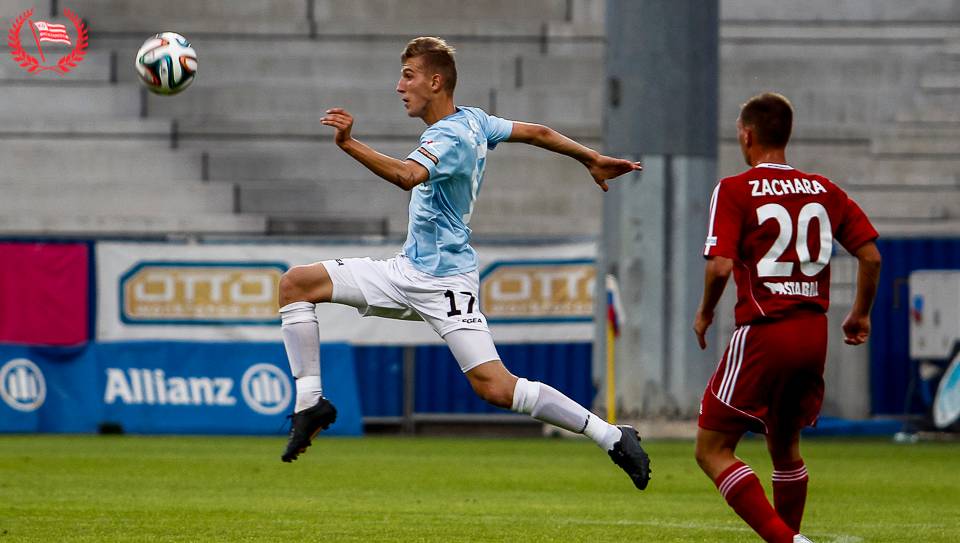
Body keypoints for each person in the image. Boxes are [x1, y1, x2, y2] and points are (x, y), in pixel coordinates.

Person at [275, 36, 650, 490]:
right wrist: (589, 158)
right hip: (403, 272)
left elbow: (406, 176)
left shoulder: (448, 136)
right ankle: (311, 403)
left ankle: (612, 436)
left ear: (435, 82)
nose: (399, 86)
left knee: (495, 387)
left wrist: (349, 143)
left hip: (445, 283)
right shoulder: (474, 120)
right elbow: (538, 132)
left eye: (408, 76)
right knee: (296, 284)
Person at [692, 92, 881, 542]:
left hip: (765, 331)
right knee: (784, 446)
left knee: (712, 449)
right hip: (813, 335)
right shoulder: (824, 189)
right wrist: (859, 315)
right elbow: (870, 257)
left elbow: (719, 265)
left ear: (747, 134)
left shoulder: (735, 189)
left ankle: (788, 541)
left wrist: (705, 313)